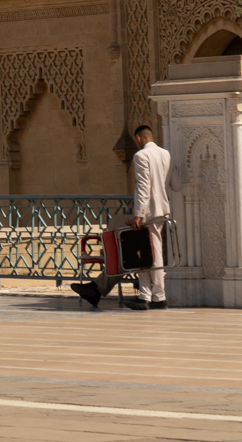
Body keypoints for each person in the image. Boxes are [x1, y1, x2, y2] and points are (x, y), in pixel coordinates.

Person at [72, 124, 176, 310]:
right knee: (144, 253)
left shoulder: (141, 156)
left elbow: (143, 186)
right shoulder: (166, 154)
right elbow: (176, 185)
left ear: (138, 138)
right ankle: (147, 297)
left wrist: (139, 214)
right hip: (162, 211)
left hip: (148, 213)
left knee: (149, 255)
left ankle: (157, 297)